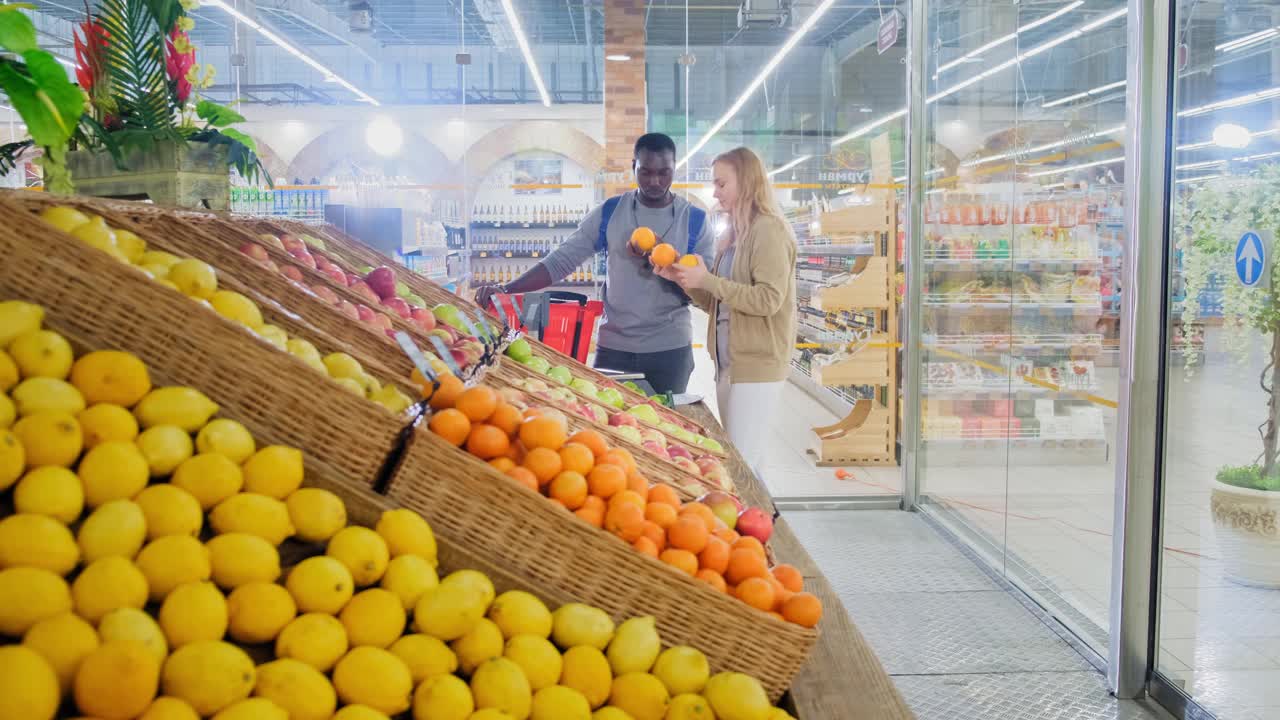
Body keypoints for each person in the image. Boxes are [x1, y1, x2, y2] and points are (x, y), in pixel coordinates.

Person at [474, 133, 715, 394]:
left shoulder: (695, 221)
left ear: (674, 167)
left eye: (664, 172)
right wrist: (507, 290)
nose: (655, 181)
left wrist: (673, 269)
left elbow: (703, 296)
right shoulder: (610, 212)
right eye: (645, 172)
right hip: (614, 349)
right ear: (633, 165)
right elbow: (561, 260)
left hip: (670, 351)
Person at [656, 147, 797, 476]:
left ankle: (750, 526)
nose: (715, 193)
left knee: (739, 467)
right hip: (729, 364)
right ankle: (767, 525)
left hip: (757, 365)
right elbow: (719, 303)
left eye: (721, 184)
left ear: (746, 182)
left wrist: (707, 279)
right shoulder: (734, 236)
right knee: (750, 467)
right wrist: (684, 281)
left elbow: (768, 299)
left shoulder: (769, 230)